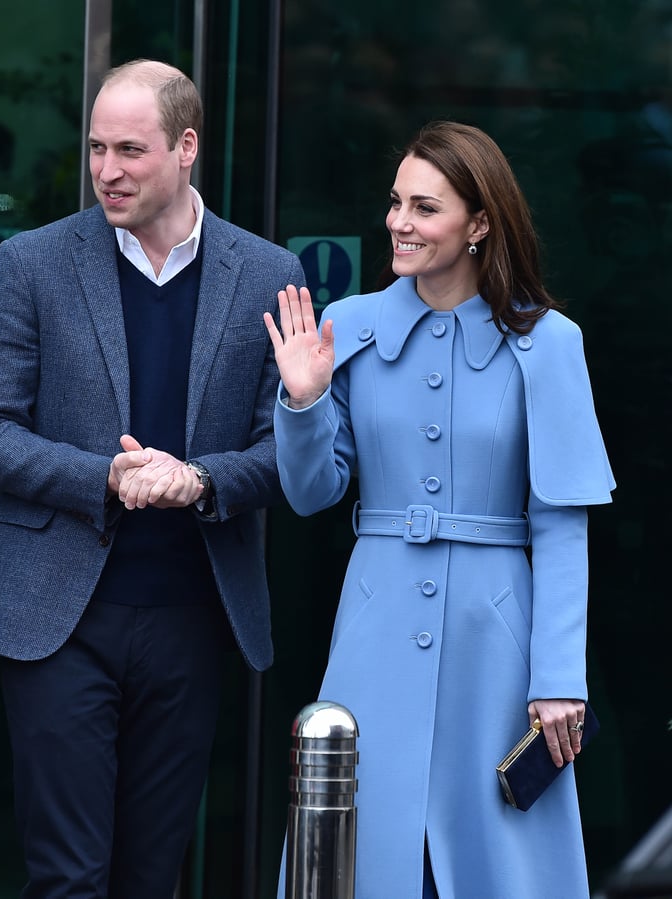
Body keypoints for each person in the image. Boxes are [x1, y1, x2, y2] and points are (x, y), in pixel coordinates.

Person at [0, 59, 305, 899]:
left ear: (187, 147)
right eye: (96, 149)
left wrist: (200, 480)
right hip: (55, 617)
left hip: (191, 614)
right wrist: (103, 476)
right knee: (69, 877)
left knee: (153, 876)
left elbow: (287, 452)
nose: (106, 170)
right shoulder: (31, 262)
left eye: (130, 151)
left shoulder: (268, 274)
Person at [264, 120, 615, 899]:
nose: (399, 222)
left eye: (425, 208)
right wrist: (302, 399)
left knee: (496, 850)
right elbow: (312, 491)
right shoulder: (347, 326)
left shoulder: (550, 342)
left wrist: (559, 674)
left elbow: (562, 522)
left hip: (498, 636)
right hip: (374, 617)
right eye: (396, 203)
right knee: (368, 842)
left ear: (479, 223)